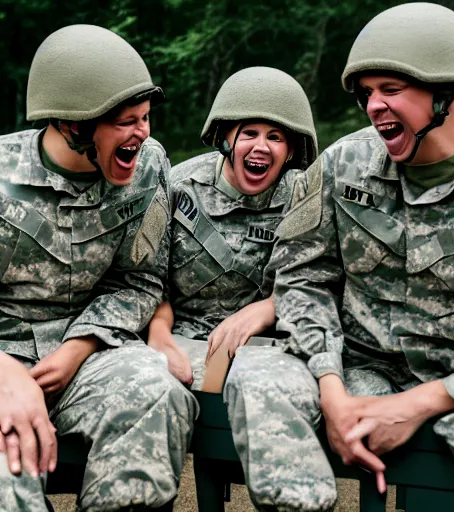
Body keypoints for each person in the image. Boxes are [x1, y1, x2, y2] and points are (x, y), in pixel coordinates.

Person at [261, 3, 454, 511]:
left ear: (449, 95)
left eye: (391, 90)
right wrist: (330, 387)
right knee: (259, 381)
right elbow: (299, 279)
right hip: (356, 366)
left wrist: (422, 403)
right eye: (367, 93)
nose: (373, 106)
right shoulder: (341, 164)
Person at [0, 24, 196, 511]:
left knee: (156, 392)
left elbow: (140, 278)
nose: (142, 134)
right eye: (126, 122)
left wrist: (77, 348)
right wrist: (6, 376)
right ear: (73, 124)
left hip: (90, 355)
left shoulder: (149, 166)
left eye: (146, 118)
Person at [147, 67, 320, 508]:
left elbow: (319, 279)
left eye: (276, 137)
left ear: (292, 149)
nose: (261, 147)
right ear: (225, 137)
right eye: (249, 133)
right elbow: (149, 280)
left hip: (267, 350)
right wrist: (160, 338)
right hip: (184, 338)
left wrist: (269, 307)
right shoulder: (177, 188)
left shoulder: (306, 196)